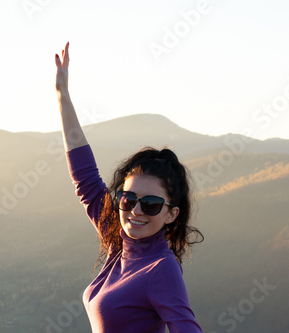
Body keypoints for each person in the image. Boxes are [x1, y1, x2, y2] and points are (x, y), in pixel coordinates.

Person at [54, 42, 203, 333]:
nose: (135, 210)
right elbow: (84, 177)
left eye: (150, 204)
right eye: (127, 199)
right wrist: (63, 97)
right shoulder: (117, 239)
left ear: (171, 214)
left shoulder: (161, 268)